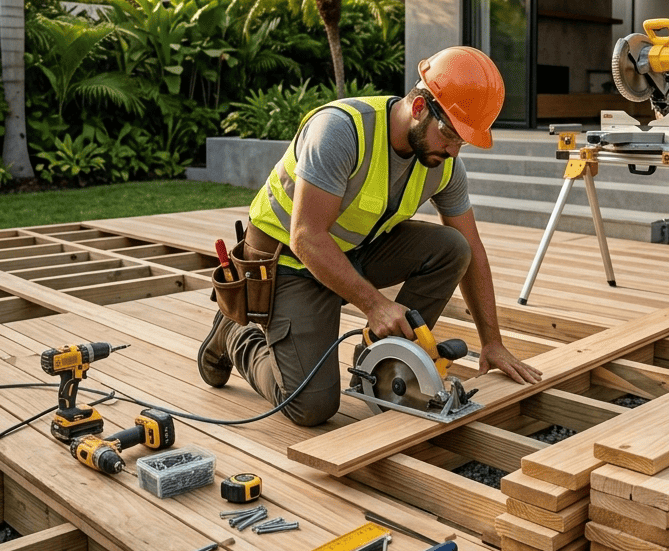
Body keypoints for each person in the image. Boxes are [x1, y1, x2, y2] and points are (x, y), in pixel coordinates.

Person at [198, 45, 542, 425]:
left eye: (464, 141)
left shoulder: (442, 163)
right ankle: (235, 335)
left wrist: (491, 341)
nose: (454, 150)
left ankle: (377, 361)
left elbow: (473, 249)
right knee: (310, 407)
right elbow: (306, 237)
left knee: (454, 248)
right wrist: (375, 304)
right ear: (418, 108)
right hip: (288, 263)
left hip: (353, 250)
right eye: (449, 134)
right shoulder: (342, 131)